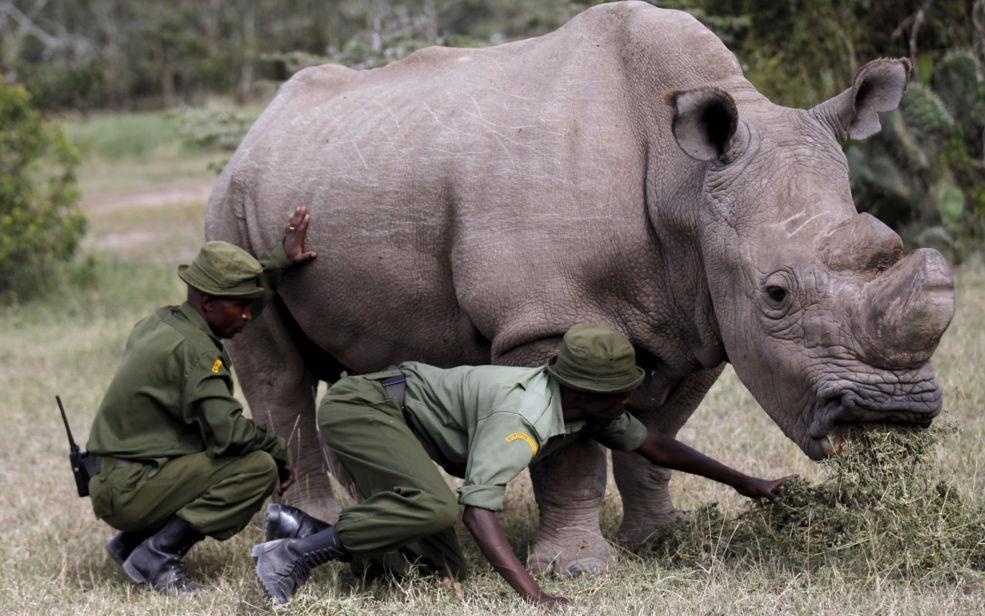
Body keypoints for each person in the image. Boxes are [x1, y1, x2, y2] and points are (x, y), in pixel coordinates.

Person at [252, 323, 792, 605]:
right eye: (620, 392)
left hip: (402, 417)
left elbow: (654, 445)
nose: (628, 400)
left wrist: (747, 482)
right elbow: (477, 510)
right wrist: (533, 596)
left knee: (437, 573)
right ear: (589, 392)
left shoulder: (586, 411)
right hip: (366, 407)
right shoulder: (525, 417)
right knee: (435, 508)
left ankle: (297, 528)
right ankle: (294, 556)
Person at [85, 206, 317, 595]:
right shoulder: (197, 353)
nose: (247, 317)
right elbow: (228, 434)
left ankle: (130, 543)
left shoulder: (164, 321)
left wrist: (279, 261)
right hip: (131, 488)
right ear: (208, 303)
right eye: (238, 307)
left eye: (249, 305)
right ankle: (156, 554)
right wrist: (278, 450)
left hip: (115, 477)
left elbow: (236, 296)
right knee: (257, 467)